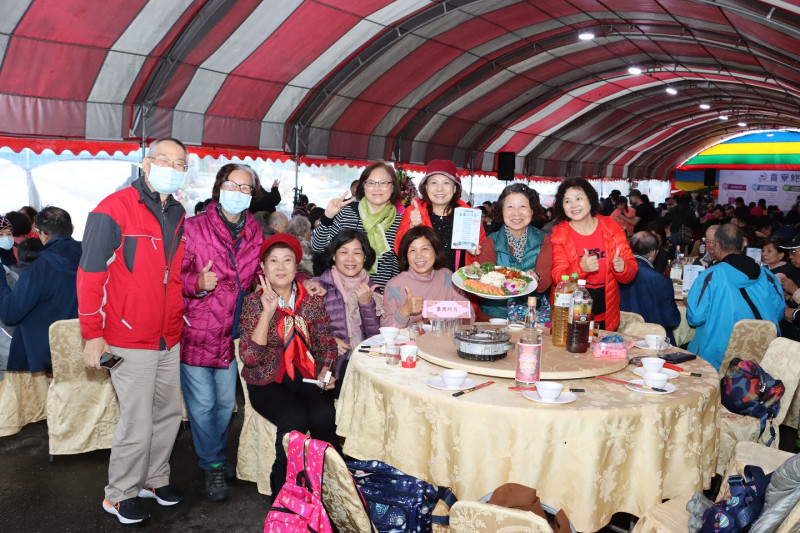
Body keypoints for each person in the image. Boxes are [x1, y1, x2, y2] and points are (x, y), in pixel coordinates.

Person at [78, 137, 188, 524]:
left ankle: (154, 478)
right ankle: (120, 493)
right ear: (145, 163)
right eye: (164, 160)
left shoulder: (177, 211)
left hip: (168, 334)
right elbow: (90, 274)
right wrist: (93, 332)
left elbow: (169, 275)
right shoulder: (113, 209)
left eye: (180, 164)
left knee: (169, 413)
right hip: (128, 335)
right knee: (137, 421)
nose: (171, 169)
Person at [180, 163, 263, 502]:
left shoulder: (255, 232)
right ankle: (213, 463)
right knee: (202, 404)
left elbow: (266, 270)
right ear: (219, 187)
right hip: (198, 328)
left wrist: (304, 285)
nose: (239, 192)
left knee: (226, 403)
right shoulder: (193, 228)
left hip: (232, 332)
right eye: (233, 185)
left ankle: (211, 454)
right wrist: (196, 283)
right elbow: (170, 276)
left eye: (246, 188)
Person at [238, 233, 339, 495]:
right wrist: (267, 313)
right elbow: (249, 358)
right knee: (294, 419)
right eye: (273, 261)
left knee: (324, 415)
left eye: (287, 260)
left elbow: (326, 344)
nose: (281, 267)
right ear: (263, 268)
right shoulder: (252, 304)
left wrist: (327, 372)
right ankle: (284, 492)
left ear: (297, 267)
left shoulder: (311, 301)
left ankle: (320, 487)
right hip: (266, 380)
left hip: (306, 377)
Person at [686, 223, 784, 370]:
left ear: (717, 245)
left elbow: (695, 317)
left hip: (718, 359)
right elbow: (778, 313)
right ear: (742, 246)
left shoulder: (711, 276)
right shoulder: (768, 276)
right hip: (761, 358)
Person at [550, 177, 638, 331]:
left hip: (606, 312)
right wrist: (580, 267)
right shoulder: (559, 234)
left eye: (579, 198)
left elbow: (630, 273)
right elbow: (558, 276)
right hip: (569, 313)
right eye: (567, 201)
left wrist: (622, 268)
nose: (574, 205)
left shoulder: (611, 227)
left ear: (590, 199)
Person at [0, 207, 81, 373]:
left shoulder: (38, 269)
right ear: (71, 229)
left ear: (41, 234)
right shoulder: (93, 258)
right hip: (85, 352)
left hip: (44, 360)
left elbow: (10, 314)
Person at [311, 162, 401, 291]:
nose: (377, 188)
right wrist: (327, 216)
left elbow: (398, 267)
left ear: (392, 187)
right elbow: (318, 247)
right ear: (363, 186)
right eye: (371, 182)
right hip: (341, 293)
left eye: (383, 183)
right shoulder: (346, 213)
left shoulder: (399, 221)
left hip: (381, 296)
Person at [473, 183, 553, 318]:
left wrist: (536, 278)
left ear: (532, 210)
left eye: (523, 206)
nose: (516, 213)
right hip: (494, 318)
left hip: (532, 318)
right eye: (510, 207)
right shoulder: (490, 242)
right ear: (502, 211)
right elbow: (482, 282)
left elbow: (544, 282)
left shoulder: (542, 240)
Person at [312, 229, 382, 384]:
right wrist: (330, 342)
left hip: (364, 359)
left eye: (357, 253)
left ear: (365, 257)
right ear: (334, 256)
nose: (350, 259)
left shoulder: (372, 289)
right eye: (343, 252)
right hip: (329, 363)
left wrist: (366, 304)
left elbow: (376, 338)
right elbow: (305, 331)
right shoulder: (318, 287)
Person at [394, 160, 487, 273]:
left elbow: (482, 258)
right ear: (426, 187)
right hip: (425, 282)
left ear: (454, 188)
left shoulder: (470, 217)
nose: (439, 189)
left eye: (446, 183)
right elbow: (399, 250)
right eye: (434, 182)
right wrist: (411, 227)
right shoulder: (414, 212)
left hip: (458, 284)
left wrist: (474, 254)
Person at [383, 226, 473, 327]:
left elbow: (469, 314)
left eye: (424, 249)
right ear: (406, 255)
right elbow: (385, 328)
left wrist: (428, 321)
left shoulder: (447, 277)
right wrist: (404, 311)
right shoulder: (394, 286)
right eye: (412, 250)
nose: (419, 256)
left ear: (435, 250)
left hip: (443, 340)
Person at [619, 231, 681, 344]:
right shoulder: (661, 280)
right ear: (653, 253)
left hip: (619, 337)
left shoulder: (617, 272)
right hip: (652, 342)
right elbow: (672, 320)